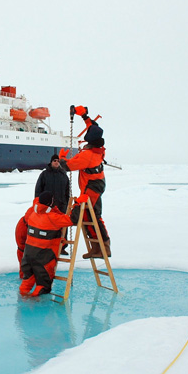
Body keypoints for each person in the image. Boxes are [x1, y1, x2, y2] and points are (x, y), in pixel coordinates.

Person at [58, 105, 110, 259]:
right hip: (96, 184)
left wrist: (62, 157)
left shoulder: (87, 155)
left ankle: (103, 247)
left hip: (91, 188)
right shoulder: (99, 148)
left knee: (88, 215)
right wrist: (84, 116)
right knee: (90, 216)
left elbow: (67, 166)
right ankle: (97, 247)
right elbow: (94, 127)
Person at [19, 191, 78, 296]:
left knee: (26, 282)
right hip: (44, 258)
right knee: (43, 286)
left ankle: (23, 300)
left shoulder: (33, 214)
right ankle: (37, 304)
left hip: (28, 256)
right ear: (50, 203)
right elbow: (73, 220)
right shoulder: (53, 218)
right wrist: (77, 205)